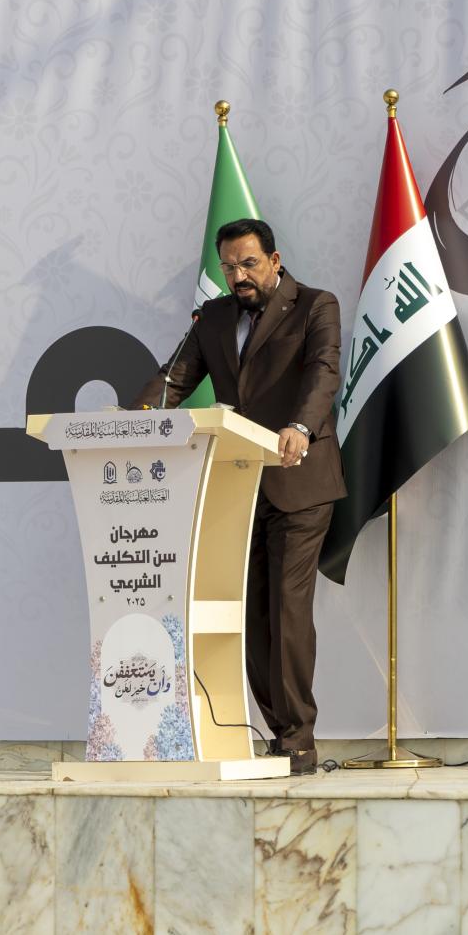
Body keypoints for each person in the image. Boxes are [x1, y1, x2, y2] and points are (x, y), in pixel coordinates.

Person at [133, 217, 343, 775]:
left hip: (299, 478)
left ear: (275, 259)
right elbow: (175, 379)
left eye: (249, 264)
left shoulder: (316, 305)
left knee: (287, 609)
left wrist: (300, 425)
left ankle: (299, 740)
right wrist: (138, 418)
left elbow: (323, 373)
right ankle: (277, 733)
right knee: (249, 613)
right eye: (229, 267)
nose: (239, 276)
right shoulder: (215, 316)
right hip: (238, 482)